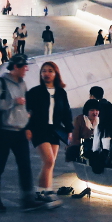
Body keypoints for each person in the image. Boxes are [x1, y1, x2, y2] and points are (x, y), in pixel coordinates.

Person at [0, 54, 58, 212]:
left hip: (20, 132)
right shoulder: (1, 82)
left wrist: (27, 123)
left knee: (25, 166)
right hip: (4, 131)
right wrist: (13, 102)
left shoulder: (22, 83)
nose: (26, 69)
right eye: (24, 67)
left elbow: (24, 106)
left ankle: (28, 200)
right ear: (16, 67)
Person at [25, 62, 71, 202]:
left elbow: (66, 113)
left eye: (50, 71)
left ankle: (47, 190)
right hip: (39, 129)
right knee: (49, 160)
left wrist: (69, 130)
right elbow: (27, 112)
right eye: (44, 71)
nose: (46, 73)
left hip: (55, 131)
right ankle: (41, 192)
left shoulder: (61, 92)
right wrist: (27, 128)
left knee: (50, 163)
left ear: (55, 73)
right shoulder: (34, 92)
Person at [68, 99, 99, 163]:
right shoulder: (79, 120)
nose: (95, 112)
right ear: (87, 111)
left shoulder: (99, 120)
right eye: (92, 110)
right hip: (81, 148)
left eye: (97, 110)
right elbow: (74, 139)